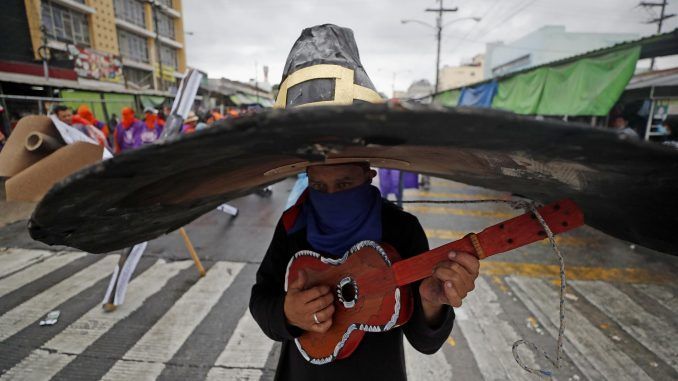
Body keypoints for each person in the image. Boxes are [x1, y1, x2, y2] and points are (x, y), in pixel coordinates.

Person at [249, 24, 479, 381]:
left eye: (345, 183)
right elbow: (261, 299)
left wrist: (433, 303)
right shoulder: (295, 224)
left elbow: (425, 340)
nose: (331, 196)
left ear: (368, 174)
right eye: (319, 185)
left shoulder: (401, 229)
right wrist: (286, 313)